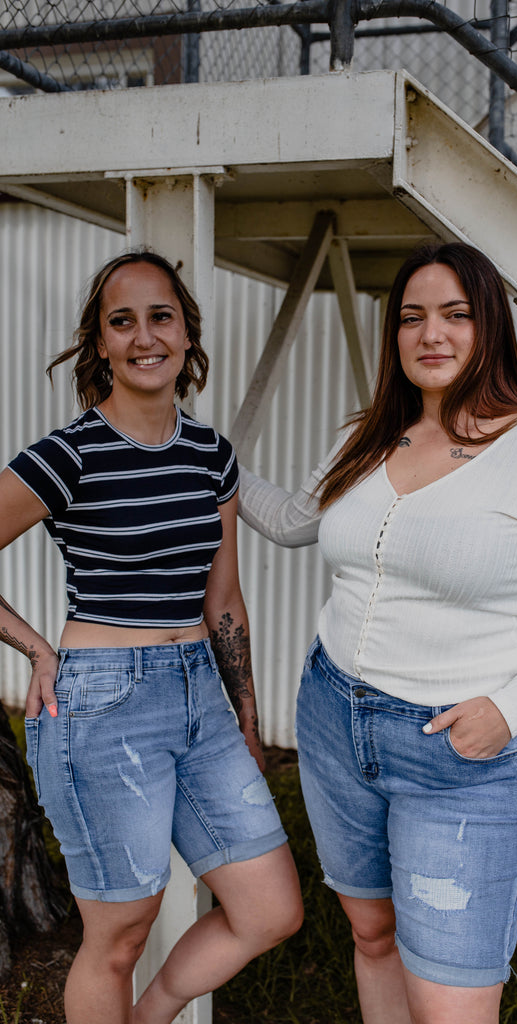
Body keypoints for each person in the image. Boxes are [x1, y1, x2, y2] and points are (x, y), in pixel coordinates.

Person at [237, 241, 517, 1023]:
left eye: (454, 314)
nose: (430, 334)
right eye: (411, 317)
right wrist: (195, 454)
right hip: (334, 715)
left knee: (451, 999)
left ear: (489, 328)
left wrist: (509, 712)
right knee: (371, 933)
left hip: (460, 750)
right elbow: (288, 524)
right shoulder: (370, 434)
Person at [0, 250, 303, 1024]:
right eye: (121, 321)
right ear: (99, 343)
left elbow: (223, 598)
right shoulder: (68, 455)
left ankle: (149, 1016)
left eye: (159, 316)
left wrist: (245, 714)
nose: (143, 337)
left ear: (186, 334)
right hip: (103, 702)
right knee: (119, 937)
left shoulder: (210, 456)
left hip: (200, 694)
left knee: (269, 910)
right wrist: (36, 649)